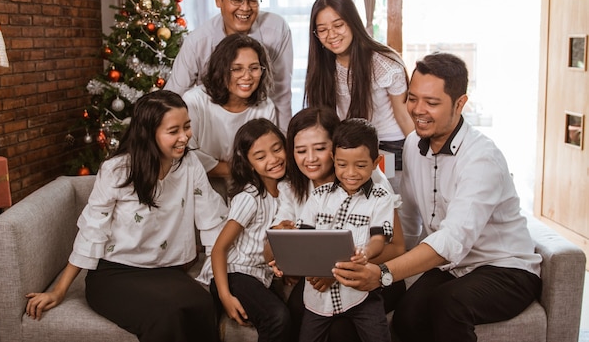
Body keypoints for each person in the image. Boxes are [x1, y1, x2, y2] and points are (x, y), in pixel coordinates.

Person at [332, 53, 542, 342]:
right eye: (413, 98)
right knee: (407, 316)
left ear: (460, 104)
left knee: (448, 304)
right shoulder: (411, 145)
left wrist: (382, 273)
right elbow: (408, 219)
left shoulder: (482, 158)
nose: (418, 110)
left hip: (505, 268)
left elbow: (452, 239)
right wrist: (366, 256)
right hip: (452, 268)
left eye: (431, 103)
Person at [25, 90, 228, 342]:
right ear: (148, 133)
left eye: (186, 127)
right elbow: (92, 231)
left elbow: (212, 222)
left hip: (166, 271)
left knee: (203, 305)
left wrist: (222, 279)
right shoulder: (117, 170)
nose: (184, 137)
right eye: (173, 131)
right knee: (166, 316)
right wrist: (59, 290)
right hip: (114, 273)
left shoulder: (190, 165)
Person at [270, 107, 405, 342]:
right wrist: (284, 251)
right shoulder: (297, 187)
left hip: (375, 272)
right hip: (321, 280)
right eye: (301, 150)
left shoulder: (372, 181)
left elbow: (396, 248)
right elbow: (277, 247)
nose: (310, 158)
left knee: (340, 330)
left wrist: (334, 271)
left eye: (320, 148)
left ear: (334, 148)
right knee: (298, 308)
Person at [304, 0, 414, 191]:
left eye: (338, 25)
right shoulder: (322, 65)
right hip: (350, 148)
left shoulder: (384, 62)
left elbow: (404, 115)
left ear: (352, 23)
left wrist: (423, 158)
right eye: (322, 30)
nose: (332, 35)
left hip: (390, 147)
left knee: (393, 211)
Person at [165, 0, 293, 130]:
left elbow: (281, 95)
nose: (245, 8)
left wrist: (285, 146)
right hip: (211, 129)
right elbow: (173, 98)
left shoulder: (276, 30)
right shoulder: (197, 42)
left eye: (252, 0)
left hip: (257, 128)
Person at [205, 118, 292, 342]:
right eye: (261, 157)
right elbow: (219, 249)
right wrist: (225, 295)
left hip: (260, 276)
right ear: (250, 164)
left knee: (292, 315)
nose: (273, 160)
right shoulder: (249, 198)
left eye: (277, 149)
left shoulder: (287, 193)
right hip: (234, 273)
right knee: (277, 317)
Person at [182, 33, 277, 199]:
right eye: (237, 68)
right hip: (199, 185)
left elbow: (267, 157)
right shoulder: (194, 101)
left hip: (249, 186)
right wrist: (235, 168)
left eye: (254, 68)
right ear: (221, 69)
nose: (247, 76)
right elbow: (186, 156)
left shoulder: (265, 106)